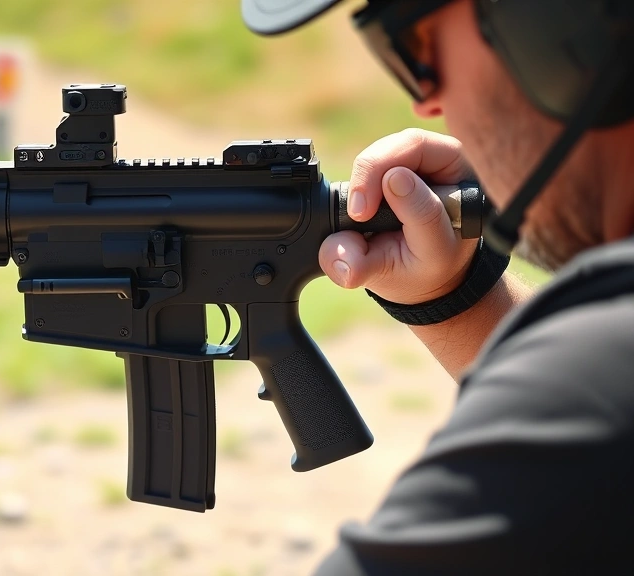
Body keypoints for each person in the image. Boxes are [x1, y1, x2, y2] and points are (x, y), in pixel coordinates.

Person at [242, 0, 634, 573]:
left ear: (573, 28)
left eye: (413, 47)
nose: (424, 102)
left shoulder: (600, 381)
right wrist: (454, 299)